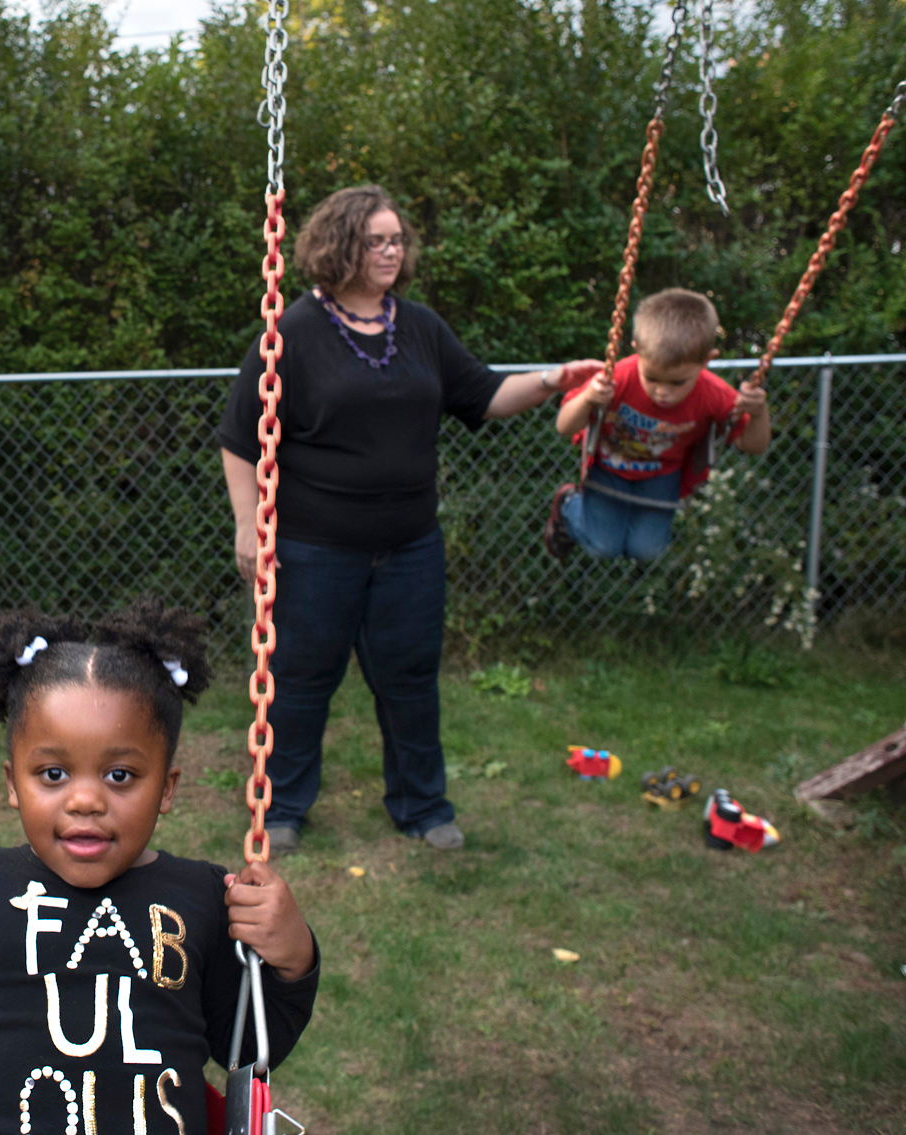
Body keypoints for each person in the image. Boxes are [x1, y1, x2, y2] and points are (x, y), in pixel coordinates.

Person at [217, 184, 603, 853]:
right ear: (341, 245)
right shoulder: (292, 334)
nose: (392, 250)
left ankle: (423, 805)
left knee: (411, 681)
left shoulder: (419, 326)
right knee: (301, 680)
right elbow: (238, 438)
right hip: (313, 549)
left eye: (397, 239)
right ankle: (281, 809)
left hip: (410, 548)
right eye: (376, 240)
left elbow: (481, 394)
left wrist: (552, 380)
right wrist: (248, 525)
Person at [0, 597, 319, 1133]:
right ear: (11, 783)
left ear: (167, 787)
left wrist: (293, 954)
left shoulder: (201, 896)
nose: (85, 801)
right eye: (52, 774)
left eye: (119, 776)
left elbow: (253, 1047)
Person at [543, 288, 772, 561]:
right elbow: (564, 426)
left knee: (648, 550)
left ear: (707, 360)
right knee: (603, 546)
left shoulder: (714, 395)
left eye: (677, 382)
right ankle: (568, 506)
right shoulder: (619, 378)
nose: (663, 392)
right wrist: (589, 399)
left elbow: (754, 446)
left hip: (662, 476)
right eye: (651, 378)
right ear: (637, 350)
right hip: (608, 468)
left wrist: (758, 413)